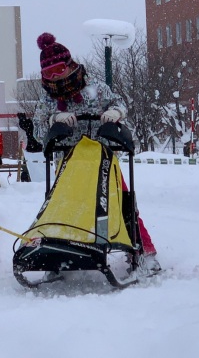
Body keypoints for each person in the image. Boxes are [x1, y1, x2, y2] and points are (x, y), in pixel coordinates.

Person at [32, 32, 160, 272]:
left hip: (103, 160)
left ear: (69, 65)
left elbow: (119, 103)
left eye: (58, 70)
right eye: (48, 74)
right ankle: (60, 252)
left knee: (123, 204)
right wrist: (53, 119)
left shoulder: (96, 90)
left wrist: (116, 113)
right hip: (68, 162)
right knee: (66, 207)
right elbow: (39, 133)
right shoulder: (47, 101)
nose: (54, 77)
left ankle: (143, 251)